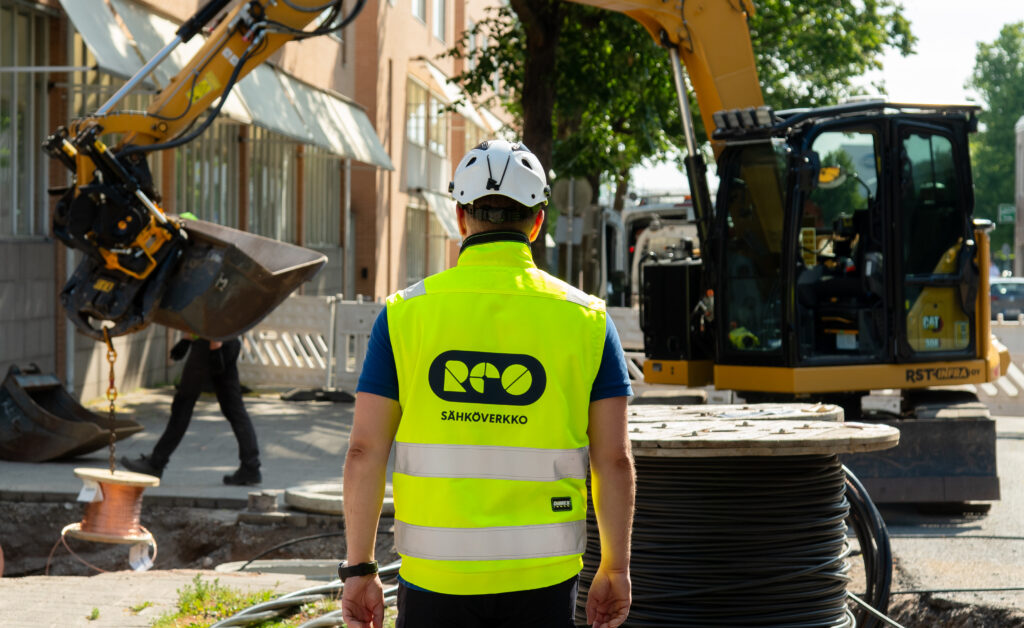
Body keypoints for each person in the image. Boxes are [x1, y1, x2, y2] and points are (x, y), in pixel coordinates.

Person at [340, 139, 636, 628]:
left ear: (460, 217)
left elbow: (363, 452)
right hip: (542, 577)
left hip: (436, 575)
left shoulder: (403, 316)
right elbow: (614, 459)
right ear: (537, 222)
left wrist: (360, 569)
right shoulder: (587, 321)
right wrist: (616, 566)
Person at [122, 336, 262, 485]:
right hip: (229, 341)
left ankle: (156, 463)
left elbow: (211, 314)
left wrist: (215, 347)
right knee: (234, 408)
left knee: (183, 405)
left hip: (209, 343)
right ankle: (251, 466)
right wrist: (187, 339)